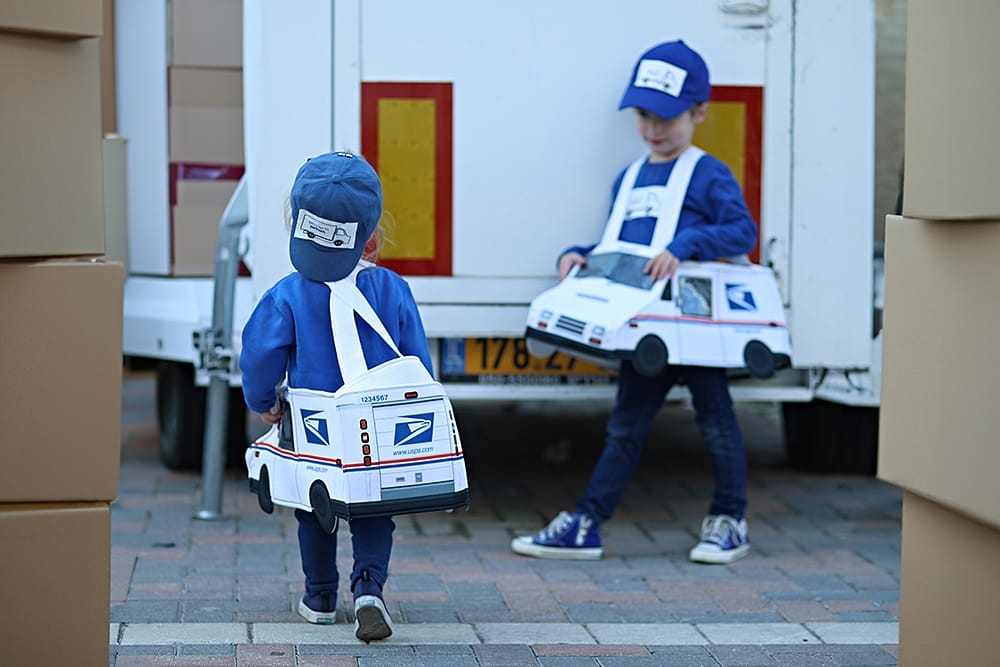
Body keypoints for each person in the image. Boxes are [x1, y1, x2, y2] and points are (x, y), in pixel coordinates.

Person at [511, 40, 758, 564]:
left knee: (717, 421)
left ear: (699, 112)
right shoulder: (628, 178)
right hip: (644, 327)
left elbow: (742, 232)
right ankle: (586, 524)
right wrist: (580, 255)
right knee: (625, 427)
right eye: (645, 115)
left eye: (667, 117)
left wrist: (688, 244)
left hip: (696, 325)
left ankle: (729, 519)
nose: (653, 128)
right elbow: (617, 246)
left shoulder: (709, 174)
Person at [239, 151, 433, 641]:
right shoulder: (392, 289)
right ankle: (368, 590)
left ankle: (320, 596)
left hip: (316, 429)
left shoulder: (288, 294)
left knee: (314, 507)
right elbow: (417, 363)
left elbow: (259, 355)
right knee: (374, 506)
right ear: (371, 240)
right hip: (380, 428)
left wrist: (265, 402)